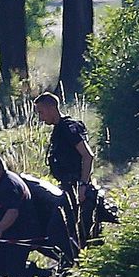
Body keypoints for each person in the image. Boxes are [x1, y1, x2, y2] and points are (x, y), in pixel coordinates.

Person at [34, 91, 95, 255]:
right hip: (67, 189)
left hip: (77, 189)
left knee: (68, 232)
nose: (40, 117)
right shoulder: (58, 130)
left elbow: (88, 156)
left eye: (41, 112)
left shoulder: (69, 128)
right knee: (58, 231)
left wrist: (83, 185)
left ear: (52, 107)